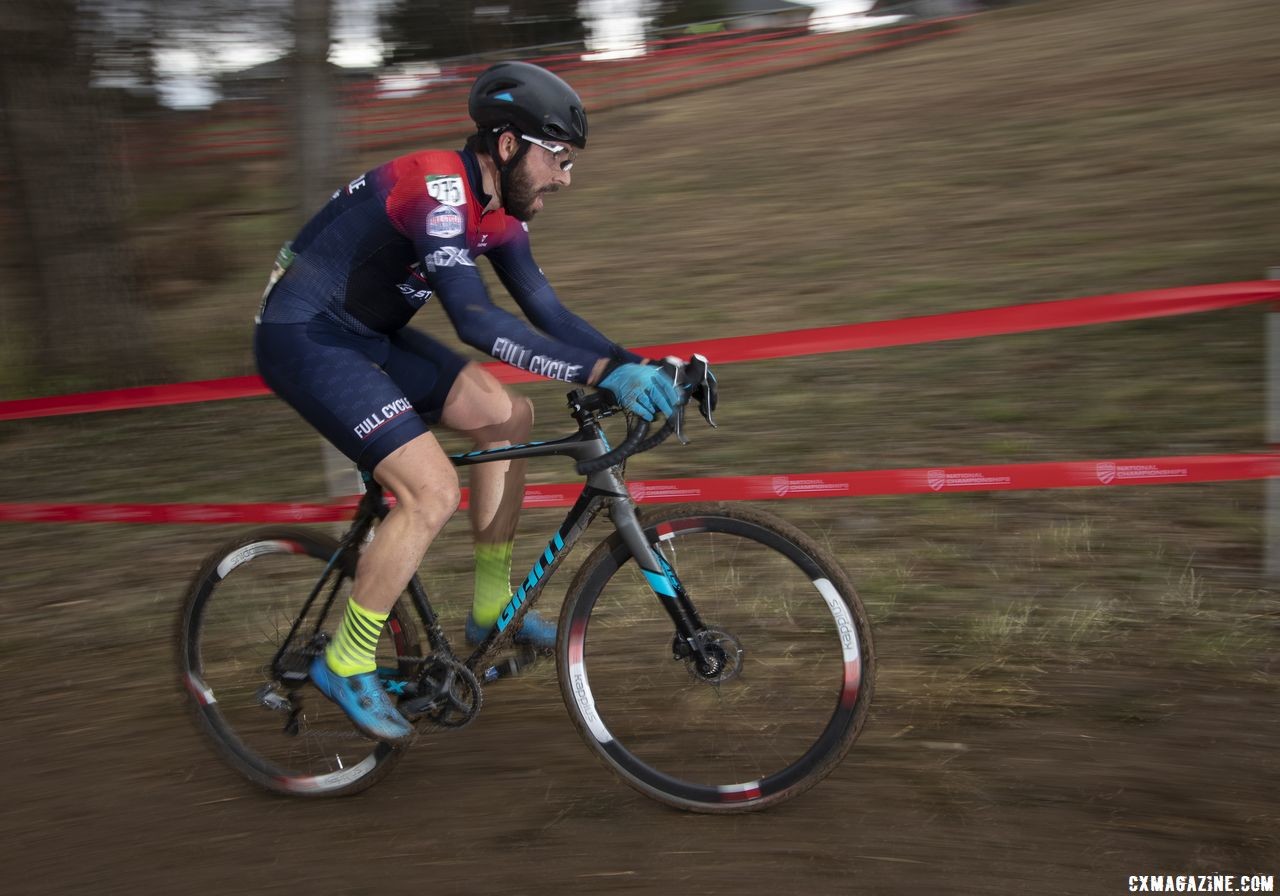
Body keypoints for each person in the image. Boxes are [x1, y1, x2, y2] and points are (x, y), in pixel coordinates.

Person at [254, 61, 685, 744]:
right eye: (559, 159)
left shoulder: (497, 215)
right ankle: (346, 656)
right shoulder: (435, 189)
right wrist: (602, 374)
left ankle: (490, 609)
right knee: (429, 492)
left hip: (366, 337)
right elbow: (476, 323)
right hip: (304, 339)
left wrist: (635, 366)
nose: (566, 178)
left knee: (508, 416)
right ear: (509, 145)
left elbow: (545, 310)